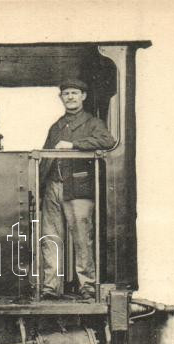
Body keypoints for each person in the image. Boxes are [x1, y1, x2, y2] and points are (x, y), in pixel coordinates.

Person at [39, 79, 116, 300]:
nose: (70, 97)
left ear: (83, 96)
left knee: (82, 238)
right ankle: (51, 287)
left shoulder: (93, 123)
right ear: (61, 98)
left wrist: (74, 145)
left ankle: (87, 286)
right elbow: (46, 156)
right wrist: (41, 186)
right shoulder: (56, 126)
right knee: (50, 237)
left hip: (78, 187)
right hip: (53, 186)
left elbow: (108, 141)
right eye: (66, 94)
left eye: (74, 93)